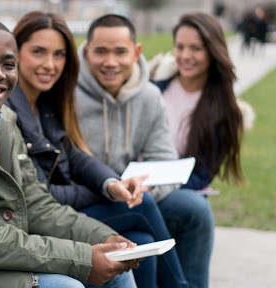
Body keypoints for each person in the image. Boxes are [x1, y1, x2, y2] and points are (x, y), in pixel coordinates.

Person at [0, 17, 140, 288]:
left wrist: (103, 238)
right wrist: (80, 258)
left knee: (119, 266)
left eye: (8, 65)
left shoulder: (4, 120)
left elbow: (35, 202)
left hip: (5, 254)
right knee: (67, 286)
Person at [4, 10, 187, 288]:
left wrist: (112, 183)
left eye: (59, 55)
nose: (50, 64)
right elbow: (36, 195)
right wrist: (105, 190)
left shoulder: (47, 100)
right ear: (15, 53)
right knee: (141, 208)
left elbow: (74, 154)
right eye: (38, 52)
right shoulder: (7, 108)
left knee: (145, 241)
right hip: (37, 221)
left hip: (62, 207)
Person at [75, 14, 215, 288]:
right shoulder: (65, 92)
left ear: (137, 52)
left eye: (120, 52)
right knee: (144, 226)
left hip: (132, 199)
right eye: (101, 51)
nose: (110, 62)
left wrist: (144, 189)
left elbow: (165, 161)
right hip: (81, 199)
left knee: (189, 211)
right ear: (86, 50)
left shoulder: (148, 96)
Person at [149, 12, 248, 193]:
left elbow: (202, 176)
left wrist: (156, 188)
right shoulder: (152, 89)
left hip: (179, 192)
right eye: (180, 47)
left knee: (195, 208)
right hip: (132, 186)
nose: (185, 56)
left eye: (196, 48)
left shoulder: (223, 111)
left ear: (212, 51)